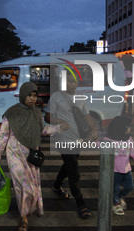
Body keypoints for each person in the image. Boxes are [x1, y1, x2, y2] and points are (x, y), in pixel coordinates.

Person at [0, 82, 64, 231]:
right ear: (23, 95)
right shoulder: (11, 113)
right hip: (14, 153)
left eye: (34, 95)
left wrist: (58, 128)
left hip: (31, 155)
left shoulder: (37, 112)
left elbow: (42, 130)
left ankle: (27, 209)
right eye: (29, 95)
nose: (32, 99)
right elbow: (4, 134)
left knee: (31, 185)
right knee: (23, 186)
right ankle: (24, 218)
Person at [44, 72, 98, 219]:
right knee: (74, 171)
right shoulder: (56, 96)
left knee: (69, 164)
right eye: (68, 82)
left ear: (77, 83)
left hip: (78, 139)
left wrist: (93, 130)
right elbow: (47, 117)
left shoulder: (80, 97)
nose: (71, 84)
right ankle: (81, 204)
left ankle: (56, 186)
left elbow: (86, 115)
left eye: (73, 82)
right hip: (62, 139)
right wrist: (59, 121)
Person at [104, 116, 134, 215]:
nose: (129, 129)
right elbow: (100, 146)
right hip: (115, 171)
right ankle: (115, 204)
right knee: (115, 189)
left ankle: (119, 198)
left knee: (130, 187)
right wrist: (93, 142)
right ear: (120, 128)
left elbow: (133, 153)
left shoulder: (129, 139)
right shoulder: (110, 140)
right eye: (127, 127)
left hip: (126, 170)